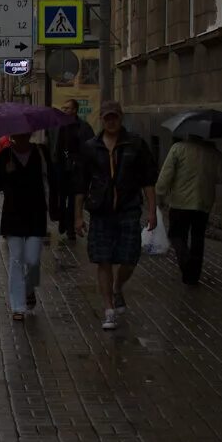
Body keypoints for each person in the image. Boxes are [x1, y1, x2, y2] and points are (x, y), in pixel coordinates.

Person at [75, 100, 158, 330]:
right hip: (101, 211)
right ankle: (109, 308)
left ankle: (118, 286)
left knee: (130, 258)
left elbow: (148, 180)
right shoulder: (91, 147)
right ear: (102, 119)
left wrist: (152, 212)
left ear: (121, 118)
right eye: (107, 117)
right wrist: (78, 216)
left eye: (115, 117)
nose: (111, 121)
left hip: (129, 209)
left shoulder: (135, 144)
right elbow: (81, 184)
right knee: (104, 259)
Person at [0, 132, 57, 321]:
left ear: (30, 134)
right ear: (12, 135)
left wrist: (55, 208)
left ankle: (29, 289)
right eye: (17, 135)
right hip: (13, 215)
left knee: (33, 260)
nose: (21, 137)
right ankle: (18, 307)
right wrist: (6, 171)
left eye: (24, 134)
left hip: (36, 214)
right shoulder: (5, 155)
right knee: (16, 259)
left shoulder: (40, 152)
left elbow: (52, 180)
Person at [155, 135, 222, 284]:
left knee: (176, 235)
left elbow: (166, 174)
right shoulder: (213, 152)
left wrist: (160, 191)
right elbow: (221, 178)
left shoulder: (178, 148)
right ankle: (193, 276)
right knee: (198, 238)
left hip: (180, 202)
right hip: (203, 203)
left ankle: (186, 263)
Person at [48, 100, 96, 244]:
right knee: (62, 198)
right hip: (61, 168)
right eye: (63, 107)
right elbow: (52, 144)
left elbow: (89, 147)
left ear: (75, 110)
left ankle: (70, 229)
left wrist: (82, 163)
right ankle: (63, 222)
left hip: (77, 169)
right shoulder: (57, 126)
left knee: (74, 199)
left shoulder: (83, 127)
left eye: (67, 108)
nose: (64, 110)